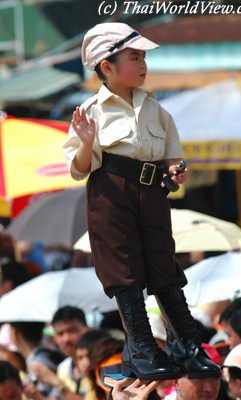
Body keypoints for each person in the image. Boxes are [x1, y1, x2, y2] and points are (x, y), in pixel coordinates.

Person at [62, 22, 220, 381]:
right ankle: (145, 350)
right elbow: (79, 169)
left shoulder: (157, 110)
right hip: (110, 193)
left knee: (165, 270)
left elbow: (171, 159)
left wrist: (176, 172)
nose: (144, 64)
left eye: (144, 57)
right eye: (135, 57)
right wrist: (86, 141)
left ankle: (189, 347)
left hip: (152, 194)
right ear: (107, 65)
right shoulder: (91, 111)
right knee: (125, 273)